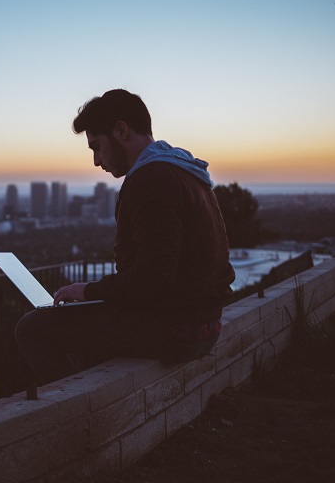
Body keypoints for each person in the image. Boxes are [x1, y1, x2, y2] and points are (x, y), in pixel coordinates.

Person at [15, 89, 236, 385]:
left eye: (96, 147)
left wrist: (90, 292)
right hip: (204, 325)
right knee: (84, 327)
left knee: (31, 328)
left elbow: (154, 278)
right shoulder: (186, 172)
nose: (96, 161)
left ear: (120, 130)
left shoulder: (152, 179)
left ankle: (77, 414)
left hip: (177, 330)